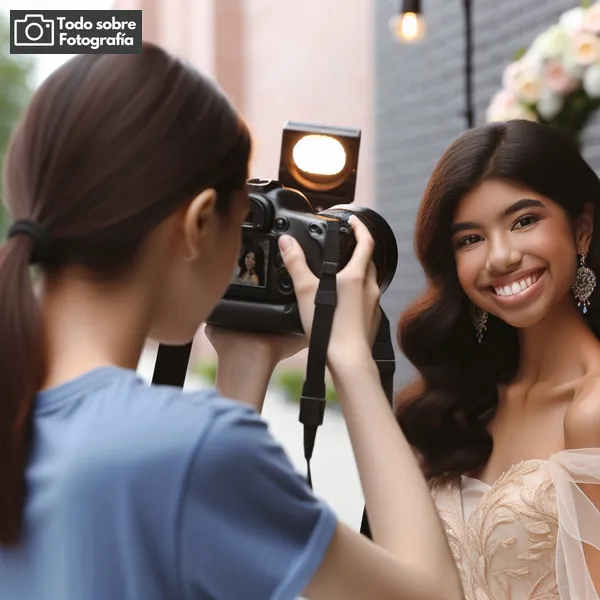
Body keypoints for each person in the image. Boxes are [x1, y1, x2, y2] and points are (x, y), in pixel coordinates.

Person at [0, 43, 463, 600]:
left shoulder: (29, 410)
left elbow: (182, 543)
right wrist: (351, 359)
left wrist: (246, 364)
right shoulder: (188, 450)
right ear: (198, 224)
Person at [396, 118, 600, 600]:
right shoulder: (461, 405)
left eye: (524, 220)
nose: (501, 256)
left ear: (582, 230)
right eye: (471, 239)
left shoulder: (593, 411)